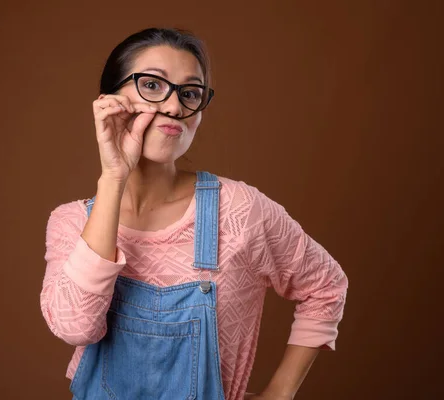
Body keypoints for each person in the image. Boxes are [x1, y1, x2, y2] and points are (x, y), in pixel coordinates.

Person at [40, 27, 348, 400]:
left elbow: (325, 286)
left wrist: (279, 393)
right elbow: (77, 327)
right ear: (109, 100)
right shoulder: (72, 222)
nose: (173, 107)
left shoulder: (238, 210)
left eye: (189, 93)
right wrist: (113, 178)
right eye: (152, 85)